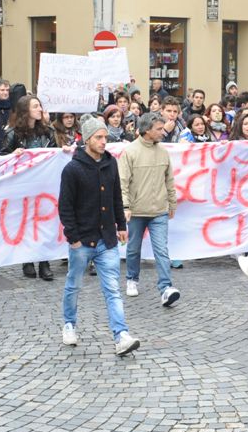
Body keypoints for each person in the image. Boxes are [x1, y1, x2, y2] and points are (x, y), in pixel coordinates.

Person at [58, 115, 140, 356]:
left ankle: (121, 335)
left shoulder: (111, 163)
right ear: (86, 139)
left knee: (112, 288)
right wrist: (72, 237)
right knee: (74, 284)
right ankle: (69, 324)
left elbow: (116, 195)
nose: (104, 141)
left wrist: (120, 224)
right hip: (82, 239)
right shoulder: (72, 169)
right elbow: (65, 207)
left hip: (107, 239)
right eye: (99, 137)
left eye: (105, 137)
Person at [118, 112, 181, 307]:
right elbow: (122, 182)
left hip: (159, 210)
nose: (164, 132)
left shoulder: (163, 152)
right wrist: (125, 206)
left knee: (161, 250)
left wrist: (172, 203)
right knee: (133, 248)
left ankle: (166, 288)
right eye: (159, 129)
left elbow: (169, 180)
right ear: (146, 131)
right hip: (136, 211)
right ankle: (132, 279)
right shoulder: (130, 152)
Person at [2, 95, 58, 281]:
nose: (40, 109)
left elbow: (55, 153)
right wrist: (12, 155)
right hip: (23, 188)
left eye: (40, 106)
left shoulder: (48, 132)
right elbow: (0, 159)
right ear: (26, 111)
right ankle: (27, 260)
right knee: (26, 223)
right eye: (36, 106)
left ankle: (44, 262)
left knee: (44, 224)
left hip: (44, 186)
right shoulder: (12, 134)